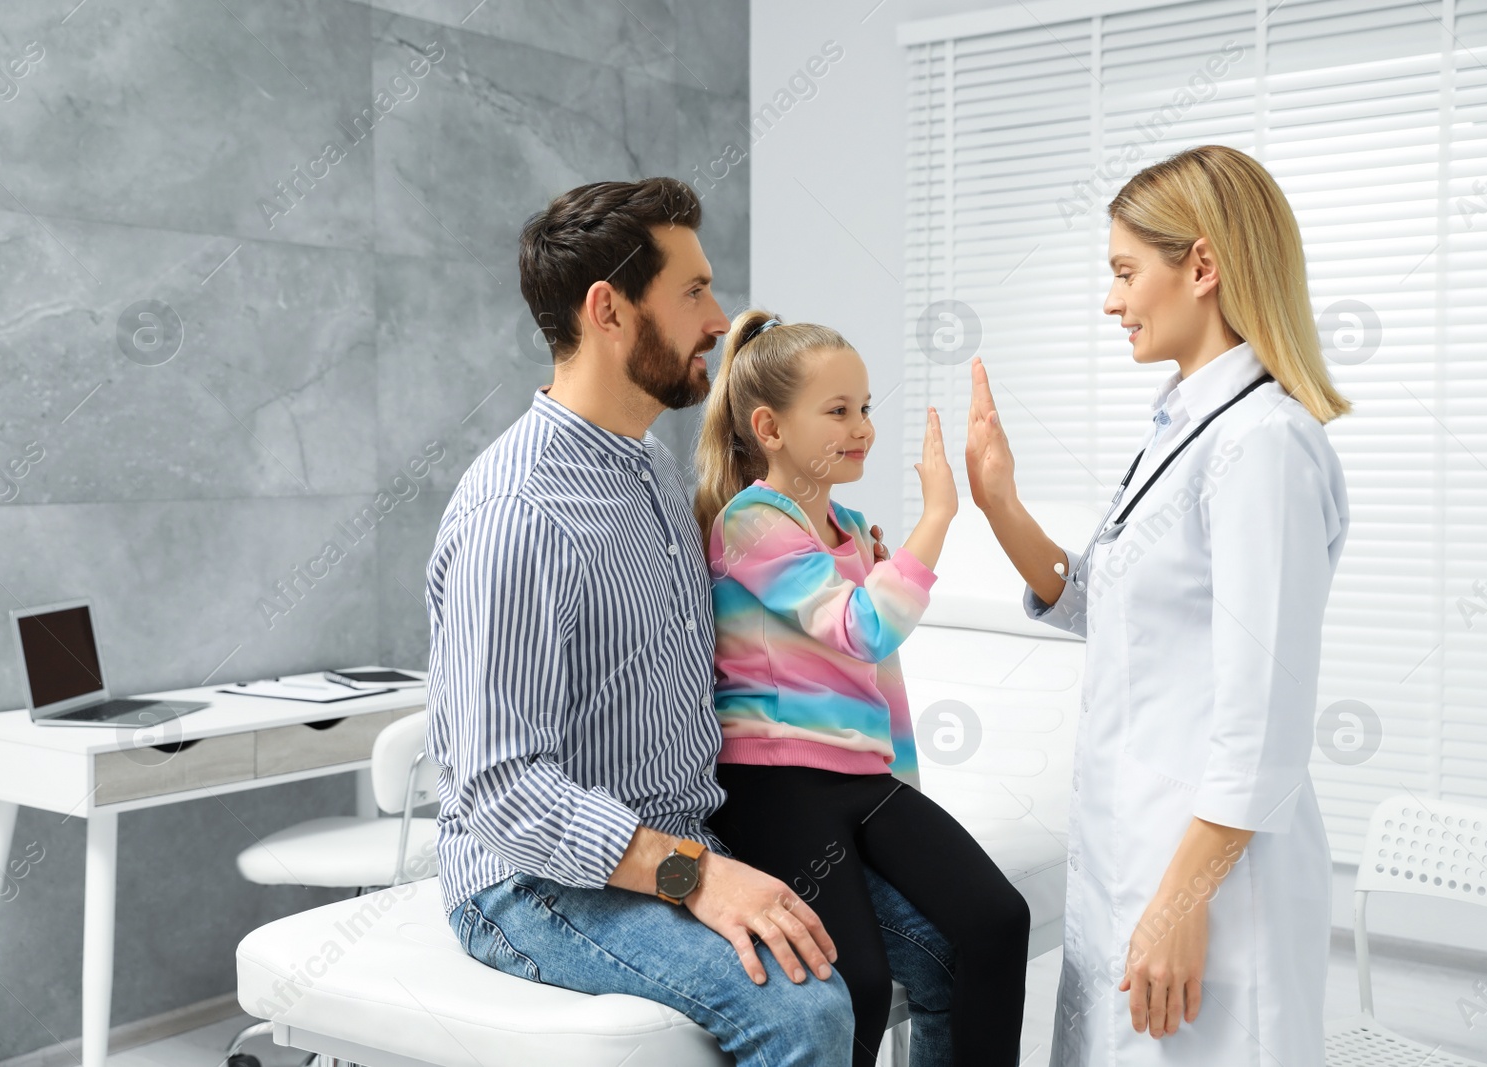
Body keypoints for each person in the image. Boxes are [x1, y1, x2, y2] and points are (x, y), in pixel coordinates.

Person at [425, 176, 959, 1067]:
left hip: (686, 833)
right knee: (804, 1012)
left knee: (953, 942)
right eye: (693, 292)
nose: (720, 318)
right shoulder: (520, 512)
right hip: (538, 880)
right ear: (609, 311)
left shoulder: (650, 476)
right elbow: (503, 792)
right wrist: (696, 876)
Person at [962, 144, 1352, 1065]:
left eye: (1127, 272)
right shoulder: (1186, 428)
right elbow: (1100, 600)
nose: (1112, 301)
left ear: (1204, 266)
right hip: (1140, 856)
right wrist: (1000, 505)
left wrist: (1180, 902)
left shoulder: (1263, 445)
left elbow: (1267, 714)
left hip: (1213, 886)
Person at [695, 309, 1032, 1067]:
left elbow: (881, 676)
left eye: (867, 408)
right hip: (775, 783)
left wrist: (902, 790)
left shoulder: (848, 527)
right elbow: (863, 629)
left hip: (861, 780)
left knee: (997, 918)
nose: (862, 427)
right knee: (862, 986)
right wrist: (939, 515)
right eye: (838, 410)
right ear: (770, 428)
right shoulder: (752, 524)